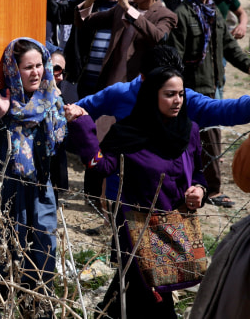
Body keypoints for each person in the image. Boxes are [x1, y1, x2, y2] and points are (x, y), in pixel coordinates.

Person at [69, 67, 206, 318]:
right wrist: (82, 124)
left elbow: (198, 172)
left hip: (174, 227)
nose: (177, 101)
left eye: (181, 94)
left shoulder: (189, 130)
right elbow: (101, 164)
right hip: (136, 229)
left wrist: (199, 190)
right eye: (169, 94)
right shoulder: (129, 132)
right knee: (153, 296)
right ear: (151, 95)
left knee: (127, 295)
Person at [0, 38, 66, 317]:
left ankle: (39, 309)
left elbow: (58, 142)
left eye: (39, 66)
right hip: (9, 189)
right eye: (27, 67)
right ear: (13, 70)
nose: (35, 72)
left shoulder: (52, 100)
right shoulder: (2, 104)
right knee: (6, 250)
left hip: (42, 188)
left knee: (44, 249)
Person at [170, 0, 250, 208]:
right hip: (192, 90)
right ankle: (210, 190)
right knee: (197, 141)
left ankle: (208, 189)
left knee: (209, 139)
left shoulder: (213, 12)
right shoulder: (181, 14)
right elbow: (175, 57)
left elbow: (229, 47)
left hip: (213, 85)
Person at [75, 0, 176, 91]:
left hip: (141, 87)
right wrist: (90, 0)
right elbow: (84, 22)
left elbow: (159, 37)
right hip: (111, 85)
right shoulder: (120, 8)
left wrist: (129, 9)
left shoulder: (165, 15)